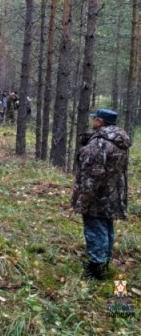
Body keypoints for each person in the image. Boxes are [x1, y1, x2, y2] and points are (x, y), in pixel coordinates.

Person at [71, 109, 130, 280]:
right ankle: (104, 262)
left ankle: (96, 268)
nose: (93, 122)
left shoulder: (99, 144)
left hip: (97, 196)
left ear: (100, 122)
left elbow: (92, 175)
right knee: (106, 228)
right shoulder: (119, 141)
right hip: (112, 194)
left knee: (95, 229)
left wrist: (83, 199)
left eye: (95, 119)